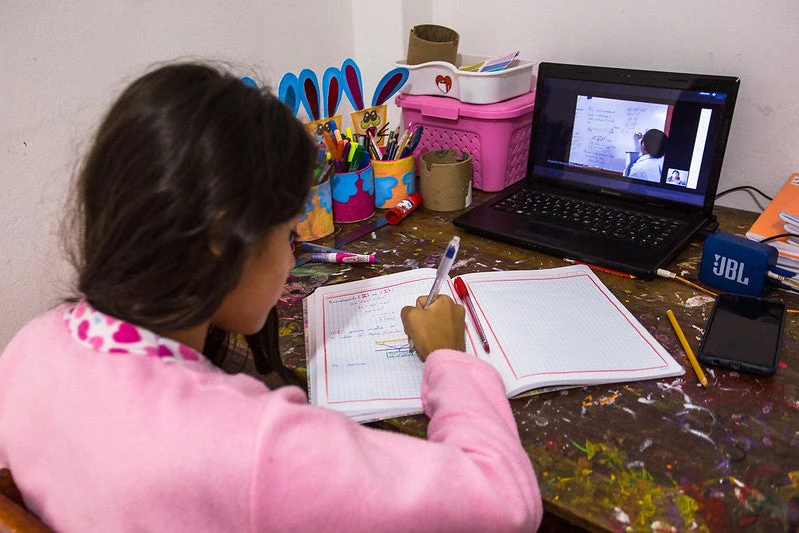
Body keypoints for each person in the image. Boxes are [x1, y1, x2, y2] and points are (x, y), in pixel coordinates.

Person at [0, 62, 542, 532]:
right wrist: (450, 359)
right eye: (288, 233)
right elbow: (505, 503)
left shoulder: (35, 345)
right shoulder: (259, 449)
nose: (293, 254)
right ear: (220, 241)